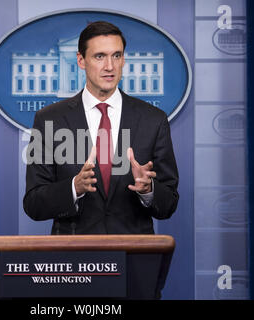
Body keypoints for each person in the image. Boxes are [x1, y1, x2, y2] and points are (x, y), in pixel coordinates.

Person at [23, 21, 179, 234]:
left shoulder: (153, 120)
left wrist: (148, 189)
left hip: (135, 258)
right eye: (99, 56)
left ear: (123, 59)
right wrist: (73, 188)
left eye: (116, 56)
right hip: (74, 258)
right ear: (81, 60)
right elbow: (33, 203)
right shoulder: (49, 120)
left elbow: (169, 202)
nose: (110, 66)